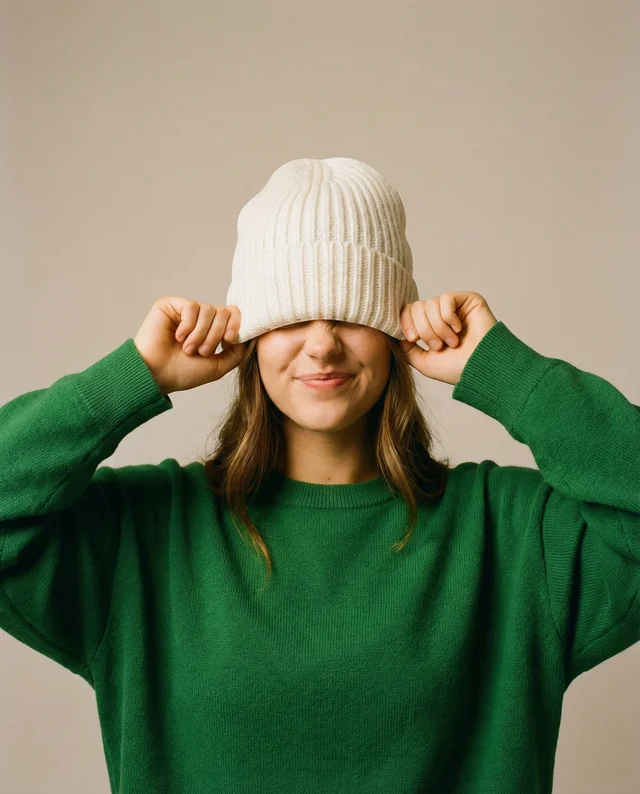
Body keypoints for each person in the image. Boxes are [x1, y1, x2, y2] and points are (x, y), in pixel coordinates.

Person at [1, 157, 638, 794]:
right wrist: (132, 376)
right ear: (249, 335)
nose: (323, 344)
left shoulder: (513, 535)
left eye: (352, 312)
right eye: (291, 316)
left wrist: (508, 372)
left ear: (395, 332)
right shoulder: (143, 535)